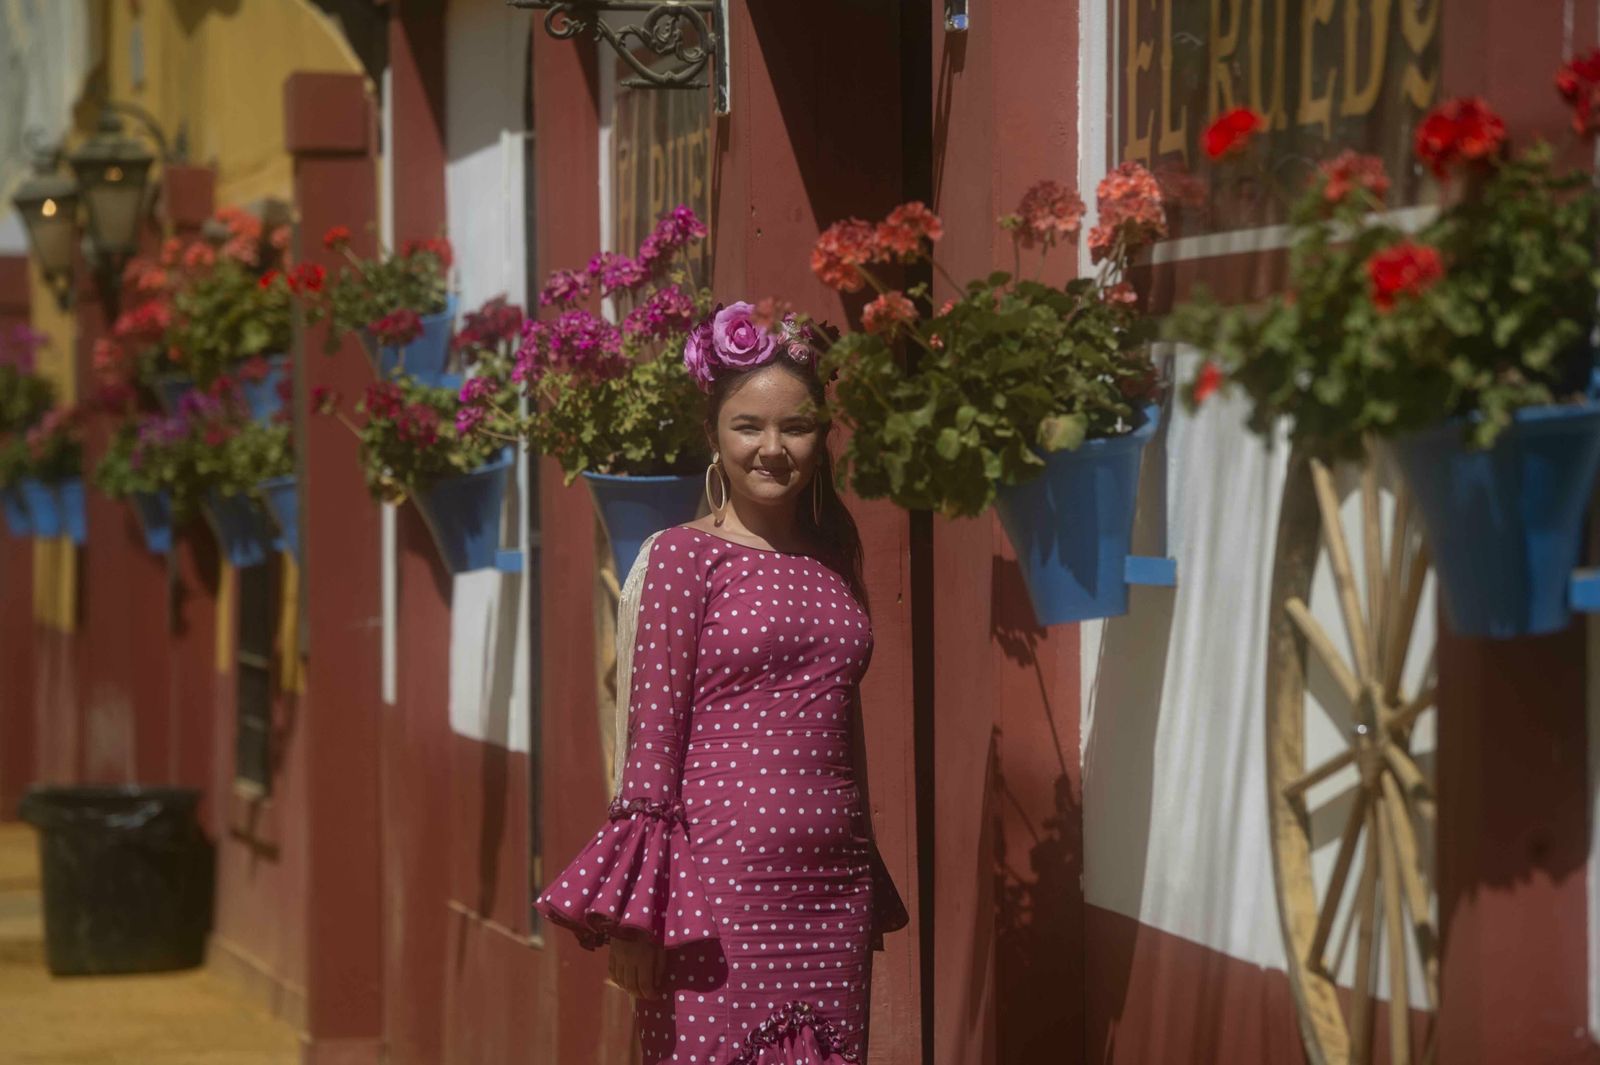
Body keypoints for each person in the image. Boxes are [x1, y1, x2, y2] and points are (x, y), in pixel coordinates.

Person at [535, 301, 907, 1064]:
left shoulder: (834, 558)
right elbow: (650, 744)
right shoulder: (681, 557)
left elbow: (845, 729)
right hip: (721, 888)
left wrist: (864, 866)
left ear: (823, 436)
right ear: (714, 435)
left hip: (830, 892)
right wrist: (642, 916)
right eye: (748, 426)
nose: (773, 448)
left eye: (796, 427)